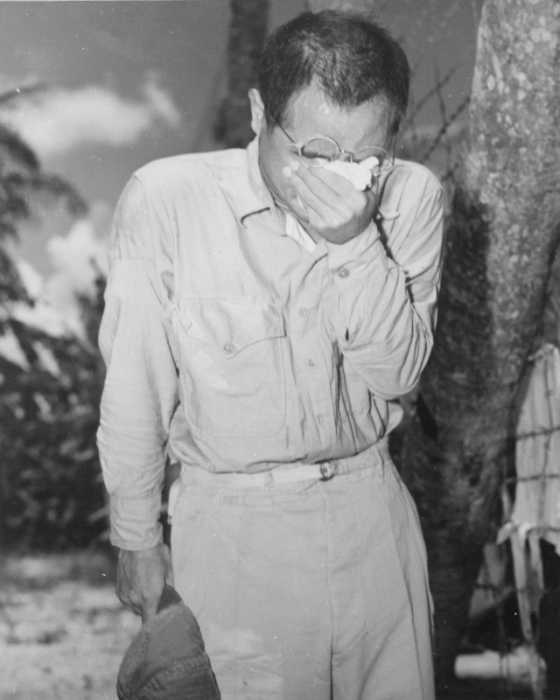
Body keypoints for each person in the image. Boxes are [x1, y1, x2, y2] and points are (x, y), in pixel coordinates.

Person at [97, 9, 444, 700]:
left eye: (366, 159)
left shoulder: (411, 197)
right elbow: (134, 388)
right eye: (315, 152)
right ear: (259, 114)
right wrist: (136, 538)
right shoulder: (166, 201)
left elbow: (398, 371)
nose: (343, 181)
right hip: (233, 532)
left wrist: (354, 245)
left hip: (373, 516)